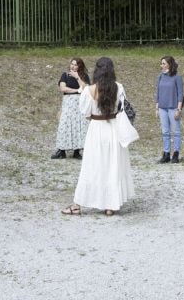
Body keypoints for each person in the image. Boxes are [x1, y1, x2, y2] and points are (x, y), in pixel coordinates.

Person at [61, 57, 135, 216]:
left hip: (96, 130)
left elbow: (85, 113)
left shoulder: (89, 90)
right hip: (114, 129)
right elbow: (123, 108)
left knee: (91, 167)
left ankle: (77, 204)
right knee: (112, 167)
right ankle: (110, 205)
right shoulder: (119, 87)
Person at [51, 58, 90, 159]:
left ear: (80, 66)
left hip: (80, 104)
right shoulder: (65, 75)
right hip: (68, 103)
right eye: (72, 64)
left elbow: (86, 88)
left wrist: (77, 77)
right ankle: (61, 150)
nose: (73, 66)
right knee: (65, 125)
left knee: (78, 125)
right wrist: (77, 90)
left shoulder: (84, 76)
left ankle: (77, 151)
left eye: (75, 65)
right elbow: (62, 88)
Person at [155, 55, 184, 164]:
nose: (161, 65)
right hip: (162, 108)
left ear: (169, 64)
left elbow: (180, 94)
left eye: (163, 63)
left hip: (173, 108)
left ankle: (175, 154)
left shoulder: (177, 77)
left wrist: (178, 109)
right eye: (161, 63)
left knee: (176, 132)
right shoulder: (160, 77)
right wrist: (157, 107)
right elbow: (157, 92)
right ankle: (166, 154)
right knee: (165, 132)